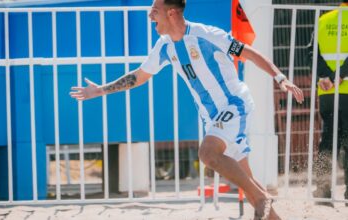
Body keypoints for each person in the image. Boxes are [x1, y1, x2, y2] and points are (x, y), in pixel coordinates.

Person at [70, 0, 304, 219]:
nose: (150, 15)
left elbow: (248, 52)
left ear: (171, 13)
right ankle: (267, 206)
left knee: (207, 154)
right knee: (248, 180)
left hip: (234, 104)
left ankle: (261, 198)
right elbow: (138, 76)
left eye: (155, 10)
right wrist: (100, 90)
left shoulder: (207, 35)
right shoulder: (164, 46)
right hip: (212, 118)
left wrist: (280, 77)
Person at [308, 0, 348, 206]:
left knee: (328, 140)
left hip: (327, 91)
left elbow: (311, 52)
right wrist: (340, 75)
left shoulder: (324, 19)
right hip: (346, 88)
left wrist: (325, 77)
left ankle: (322, 189)